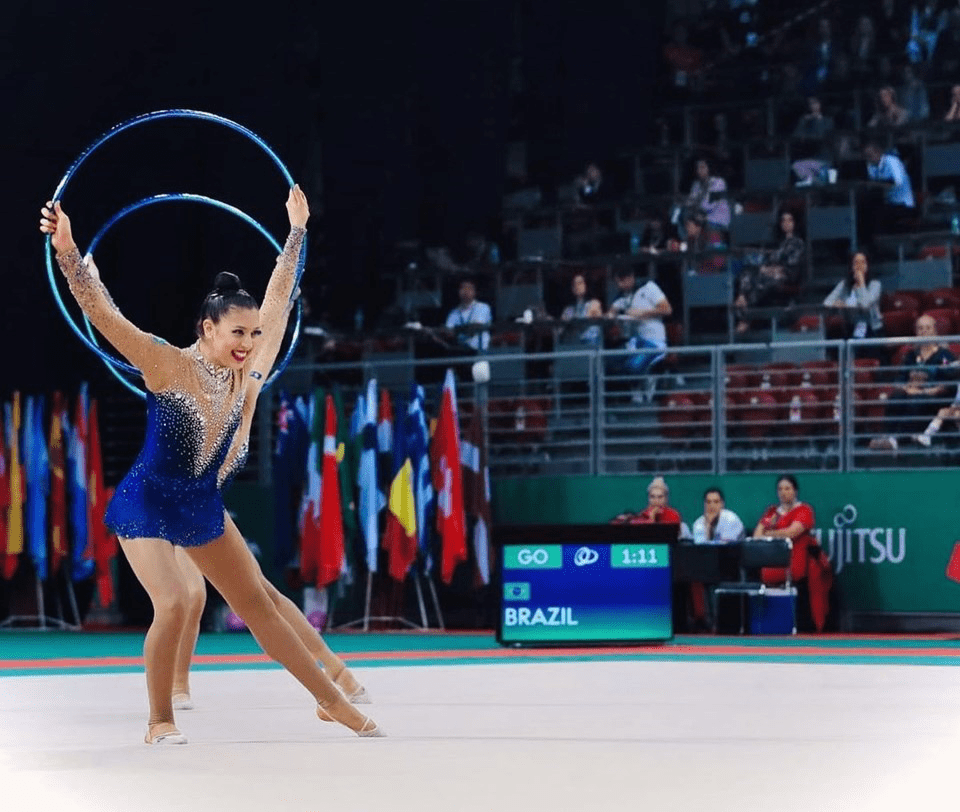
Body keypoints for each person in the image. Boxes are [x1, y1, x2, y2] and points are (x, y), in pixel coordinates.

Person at [40, 188, 383, 744]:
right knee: (176, 601)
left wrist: (296, 230)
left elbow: (280, 295)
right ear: (207, 329)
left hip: (199, 503)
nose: (249, 343)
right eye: (237, 334)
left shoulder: (244, 373)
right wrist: (68, 248)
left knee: (258, 605)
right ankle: (159, 721)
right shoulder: (166, 365)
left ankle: (330, 700)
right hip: (147, 500)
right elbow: (103, 314)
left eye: (252, 334)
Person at [170, 547, 370, 711]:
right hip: (159, 518)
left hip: (198, 511)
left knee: (264, 592)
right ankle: (179, 683)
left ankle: (336, 668)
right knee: (193, 596)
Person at [752, 475, 832, 633]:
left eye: (787, 488)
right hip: (771, 564)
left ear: (795, 491)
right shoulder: (772, 512)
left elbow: (792, 532)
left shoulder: (804, 510)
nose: (783, 493)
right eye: (780, 489)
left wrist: (769, 533)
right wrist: (771, 532)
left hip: (795, 563)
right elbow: (756, 536)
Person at [871, 314, 957, 450]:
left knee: (917, 399)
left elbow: (948, 385)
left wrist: (923, 391)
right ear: (916, 332)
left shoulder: (945, 356)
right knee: (896, 398)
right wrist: (906, 388)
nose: (924, 332)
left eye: (927, 328)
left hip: (935, 399)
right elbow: (900, 379)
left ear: (935, 331)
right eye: (920, 329)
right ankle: (886, 436)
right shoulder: (910, 356)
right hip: (912, 394)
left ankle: (897, 440)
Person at [734, 210, 805, 334]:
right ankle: (742, 297)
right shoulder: (776, 243)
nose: (786, 223)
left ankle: (745, 317)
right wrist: (765, 269)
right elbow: (766, 261)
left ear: (795, 222)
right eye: (783, 220)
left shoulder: (798, 243)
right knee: (747, 273)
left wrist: (771, 270)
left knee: (763, 282)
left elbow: (791, 266)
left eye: (790, 220)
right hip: (769, 272)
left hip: (785, 276)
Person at [607, 267, 671, 374]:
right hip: (636, 341)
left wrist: (642, 313)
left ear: (631, 277)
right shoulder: (621, 296)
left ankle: (645, 386)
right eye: (617, 282)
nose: (620, 285)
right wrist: (610, 316)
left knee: (633, 367)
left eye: (622, 281)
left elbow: (667, 309)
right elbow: (611, 312)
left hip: (654, 342)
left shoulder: (649, 287)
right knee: (610, 361)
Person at [823, 251, 884, 339]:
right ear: (851, 267)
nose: (859, 266)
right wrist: (837, 303)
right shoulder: (844, 284)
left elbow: (865, 305)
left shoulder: (875, 285)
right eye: (856, 263)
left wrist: (861, 284)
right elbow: (827, 302)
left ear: (868, 266)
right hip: (850, 326)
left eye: (862, 262)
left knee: (859, 333)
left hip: (871, 328)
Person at [684, 157, 730, 236]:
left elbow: (709, 205)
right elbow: (690, 202)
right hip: (701, 217)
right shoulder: (696, 184)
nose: (699, 170)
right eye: (698, 168)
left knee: (695, 224)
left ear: (709, 168)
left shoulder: (719, 183)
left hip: (717, 219)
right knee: (684, 216)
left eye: (702, 167)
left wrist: (695, 205)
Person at [444, 278, 492, 352]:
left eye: (469, 288)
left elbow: (474, 327)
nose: (466, 291)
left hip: (480, 352)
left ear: (474, 292)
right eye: (463, 288)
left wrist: (456, 331)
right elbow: (448, 332)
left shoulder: (482, 307)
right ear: (458, 292)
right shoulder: (454, 313)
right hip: (462, 353)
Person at [560, 272, 603, 346]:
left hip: (591, 345)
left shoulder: (594, 303)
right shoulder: (568, 309)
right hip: (574, 345)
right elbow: (560, 328)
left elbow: (585, 322)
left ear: (586, 285)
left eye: (580, 283)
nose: (577, 286)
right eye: (574, 284)